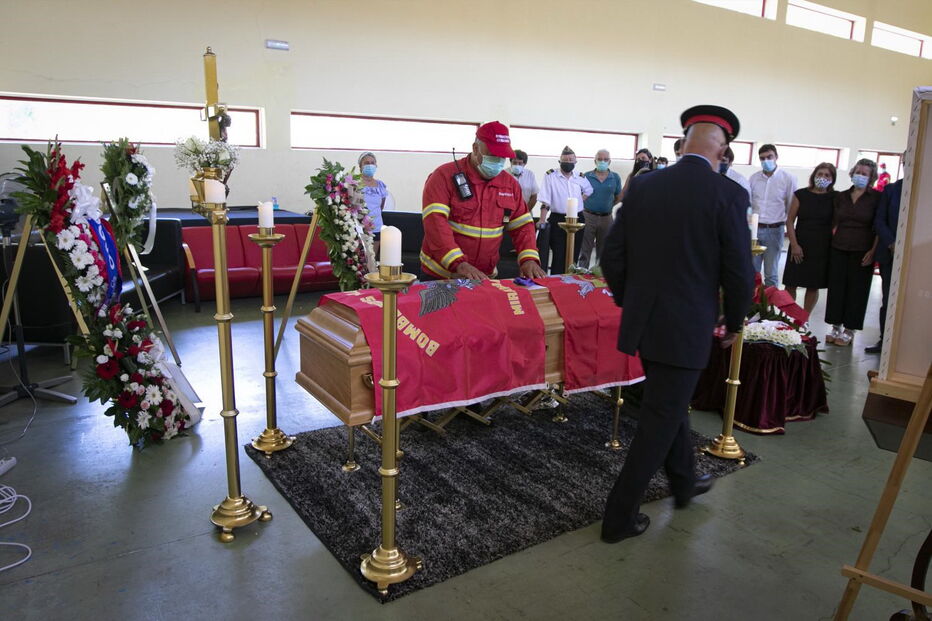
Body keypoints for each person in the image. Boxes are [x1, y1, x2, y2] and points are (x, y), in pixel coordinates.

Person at [600, 105, 753, 544]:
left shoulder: (644, 186)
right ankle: (619, 518)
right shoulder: (728, 195)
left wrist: (635, 302)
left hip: (648, 323)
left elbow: (613, 254)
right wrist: (736, 321)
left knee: (669, 403)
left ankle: (685, 480)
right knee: (660, 418)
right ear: (722, 149)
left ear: (683, 142)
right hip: (687, 326)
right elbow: (738, 270)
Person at [420, 121, 546, 280]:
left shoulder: (510, 185)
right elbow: (435, 224)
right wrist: (458, 263)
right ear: (475, 148)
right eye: (493, 156)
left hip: (485, 278)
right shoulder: (443, 176)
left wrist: (529, 259)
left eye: (502, 158)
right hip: (442, 276)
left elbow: (523, 225)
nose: (498, 162)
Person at [825, 159, 880, 347]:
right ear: (852, 173)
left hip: (862, 250)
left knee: (857, 290)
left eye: (865, 174)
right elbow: (833, 221)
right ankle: (835, 326)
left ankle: (850, 329)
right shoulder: (841, 196)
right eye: (858, 172)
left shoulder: (876, 198)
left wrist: (873, 251)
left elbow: (878, 227)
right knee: (837, 288)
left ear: (871, 177)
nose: (861, 176)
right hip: (839, 246)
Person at [782, 163, 837, 315]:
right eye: (820, 174)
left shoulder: (835, 197)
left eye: (827, 175)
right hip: (799, 243)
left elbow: (836, 222)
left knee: (813, 285)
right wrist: (794, 245)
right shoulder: (801, 194)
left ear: (832, 179)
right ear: (814, 176)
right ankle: (789, 317)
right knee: (791, 283)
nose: (823, 178)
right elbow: (790, 221)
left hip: (821, 246)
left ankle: (804, 318)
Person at [537, 146, 593, 274]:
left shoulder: (580, 176)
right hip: (558, 218)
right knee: (559, 253)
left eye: (571, 160)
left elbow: (589, 190)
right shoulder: (551, 176)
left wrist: (579, 201)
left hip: (577, 219)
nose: (568, 163)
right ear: (560, 162)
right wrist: (542, 219)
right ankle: (558, 282)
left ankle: (572, 282)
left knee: (574, 252)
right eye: (565, 160)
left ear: (575, 162)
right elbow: (545, 199)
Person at [749, 144, 796, 287]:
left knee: (771, 273)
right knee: (753, 273)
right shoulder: (754, 178)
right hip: (755, 230)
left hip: (775, 230)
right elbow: (749, 204)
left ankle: (768, 308)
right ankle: (752, 307)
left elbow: (791, 206)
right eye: (762, 158)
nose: (766, 161)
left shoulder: (788, 178)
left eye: (769, 157)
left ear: (776, 157)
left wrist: (788, 226)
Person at [866, 174, 902, 353]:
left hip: (917, 257)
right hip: (890, 253)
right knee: (888, 299)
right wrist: (892, 243)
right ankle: (884, 340)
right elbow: (880, 220)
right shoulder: (891, 190)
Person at [578, 150, 622, 269]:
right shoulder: (586, 176)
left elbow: (618, 197)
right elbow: (579, 195)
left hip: (606, 218)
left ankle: (601, 276)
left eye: (605, 159)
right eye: (600, 159)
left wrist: (608, 206)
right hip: (588, 216)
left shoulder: (615, 177)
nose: (602, 161)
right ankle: (582, 273)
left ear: (610, 161)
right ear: (595, 161)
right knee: (584, 249)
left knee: (603, 251)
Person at [357, 152, 387, 251]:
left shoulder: (381, 185)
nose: (370, 165)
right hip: (359, 228)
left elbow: (381, 207)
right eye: (366, 163)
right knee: (357, 261)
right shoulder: (354, 184)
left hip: (376, 228)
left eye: (372, 163)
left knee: (372, 260)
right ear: (360, 166)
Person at [509, 149, 539, 217]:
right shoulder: (504, 174)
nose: (517, 165)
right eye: (514, 162)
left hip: (526, 214)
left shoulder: (530, 174)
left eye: (520, 163)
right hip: (507, 214)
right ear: (510, 162)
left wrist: (525, 211)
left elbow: (534, 196)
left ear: (524, 164)